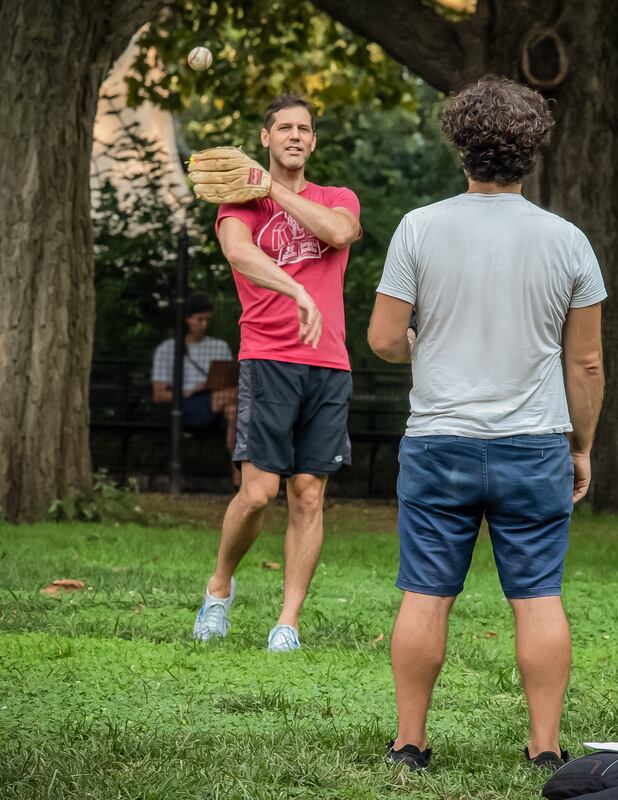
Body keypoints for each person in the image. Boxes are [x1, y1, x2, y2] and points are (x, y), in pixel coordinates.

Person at [368, 76, 606, 772]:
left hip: (438, 444)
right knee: (537, 598)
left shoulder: (419, 228)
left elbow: (384, 338)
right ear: (532, 148)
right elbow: (586, 366)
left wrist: (421, 345)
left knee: (425, 593)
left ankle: (410, 744)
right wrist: (582, 447)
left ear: (460, 144)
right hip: (534, 447)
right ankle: (544, 748)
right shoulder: (568, 242)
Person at [192, 95, 361, 653]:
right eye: (284, 127)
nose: (294, 135)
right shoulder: (237, 205)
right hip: (268, 356)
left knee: (309, 495)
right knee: (260, 492)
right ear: (264, 139)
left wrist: (273, 188)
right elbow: (240, 255)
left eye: (304, 129)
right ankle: (219, 589)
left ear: (312, 142)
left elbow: (338, 233)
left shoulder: (337, 198)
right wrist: (295, 290)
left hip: (329, 363)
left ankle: (286, 623)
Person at [152, 291, 238, 459]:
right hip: (186, 405)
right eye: (199, 319)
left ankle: (237, 477)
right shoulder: (168, 349)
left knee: (234, 411)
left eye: (207, 320)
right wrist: (190, 391)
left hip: (220, 403)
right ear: (187, 319)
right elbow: (158, 394)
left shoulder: (220, 346)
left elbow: (231, 383)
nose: (204, 325)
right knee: (233, 399)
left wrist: (208, 386)